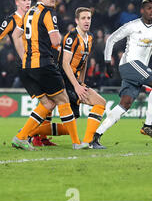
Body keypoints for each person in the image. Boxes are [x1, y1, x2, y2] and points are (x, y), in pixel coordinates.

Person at [10, 0, 87, 150]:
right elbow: (55, 40)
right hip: (43, 64)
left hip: (27, 67)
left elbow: (16, 35)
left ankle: (21, 137)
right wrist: (58, 43)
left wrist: (25, 55)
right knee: (64, 100)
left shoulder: (29, 11)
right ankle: (76, 143)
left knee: (48, 104)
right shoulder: (47, 13)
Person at [91, 0, 152, 149]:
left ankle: (96, 137)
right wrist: (107, 63)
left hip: (138, 69)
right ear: (142, 11)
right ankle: (148, 124)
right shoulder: (133, 25)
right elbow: (111, 39)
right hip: (129, 64)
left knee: (124, 104)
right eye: (149, 8)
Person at [28, 8, 107, 147]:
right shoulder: (72, 37)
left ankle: (31, 132)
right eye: (83, 18)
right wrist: (76, 86)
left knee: (67, 128)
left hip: (75, 81)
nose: (86, 21)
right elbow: (65, 63)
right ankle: (88, 141)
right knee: (100, 102)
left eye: (88, 18)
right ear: (77, 20)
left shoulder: (89, 38)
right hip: (64, 80)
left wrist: (81, 82)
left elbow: (84, 60)